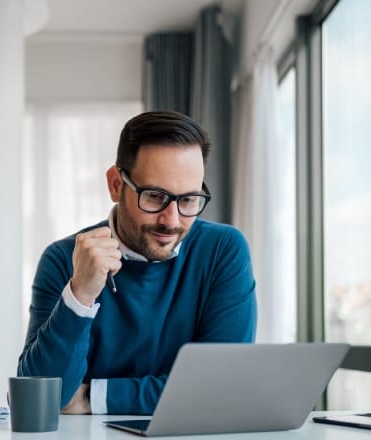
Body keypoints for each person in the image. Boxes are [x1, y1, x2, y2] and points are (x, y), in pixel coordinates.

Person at [17, 110, 257, 415]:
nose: (171, 221)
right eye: (155, 196)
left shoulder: (223, 250)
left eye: (188, 200)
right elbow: (38, 399)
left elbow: (223, 387)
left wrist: (93, 397)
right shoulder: (63, 259)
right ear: (116, 184)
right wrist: (80, 295)